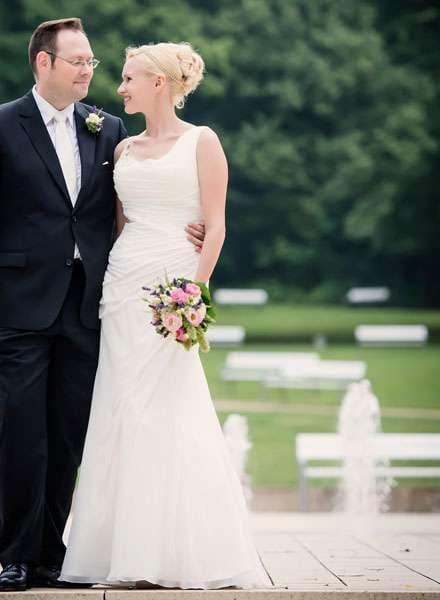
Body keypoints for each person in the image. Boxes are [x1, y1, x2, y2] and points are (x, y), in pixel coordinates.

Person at [0, 20, 204, 592]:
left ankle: (54, 556)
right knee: (23, 430)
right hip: (18, 306)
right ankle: (18, 557)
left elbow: (128, 207)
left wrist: (185, 230)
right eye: (78, 61)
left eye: (92, 62)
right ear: (43, 63)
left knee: (69, 432)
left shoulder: (107, 128)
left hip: (89, 306)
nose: (88, 71)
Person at [58, 42, 271, 589]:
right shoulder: (123, 149)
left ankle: (179, 553)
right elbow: (119, 226)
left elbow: (216, 224)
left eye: (128, 78)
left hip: (174, 287)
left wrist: (196, 292)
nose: (120, 87)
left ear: (159, 83)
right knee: (121, 408)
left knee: (170, 408)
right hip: (123, 287)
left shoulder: (203, 141)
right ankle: (117, 553)